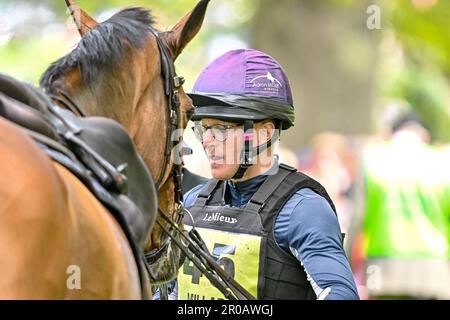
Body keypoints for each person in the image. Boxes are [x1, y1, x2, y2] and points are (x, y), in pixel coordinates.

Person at [175, 49, 359, 300]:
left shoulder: (303, 210)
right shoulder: (192, 201)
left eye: (221, 128)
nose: (207, 142)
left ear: (263, 133)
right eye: (203, 129)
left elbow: (340, 295)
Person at [349, 110, 450, 299]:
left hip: (383, 269)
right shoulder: (444, 162)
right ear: (424, 135)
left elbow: (357, 218)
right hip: (435, 272)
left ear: (392, 133)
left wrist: (345, 264)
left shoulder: (372, 158)